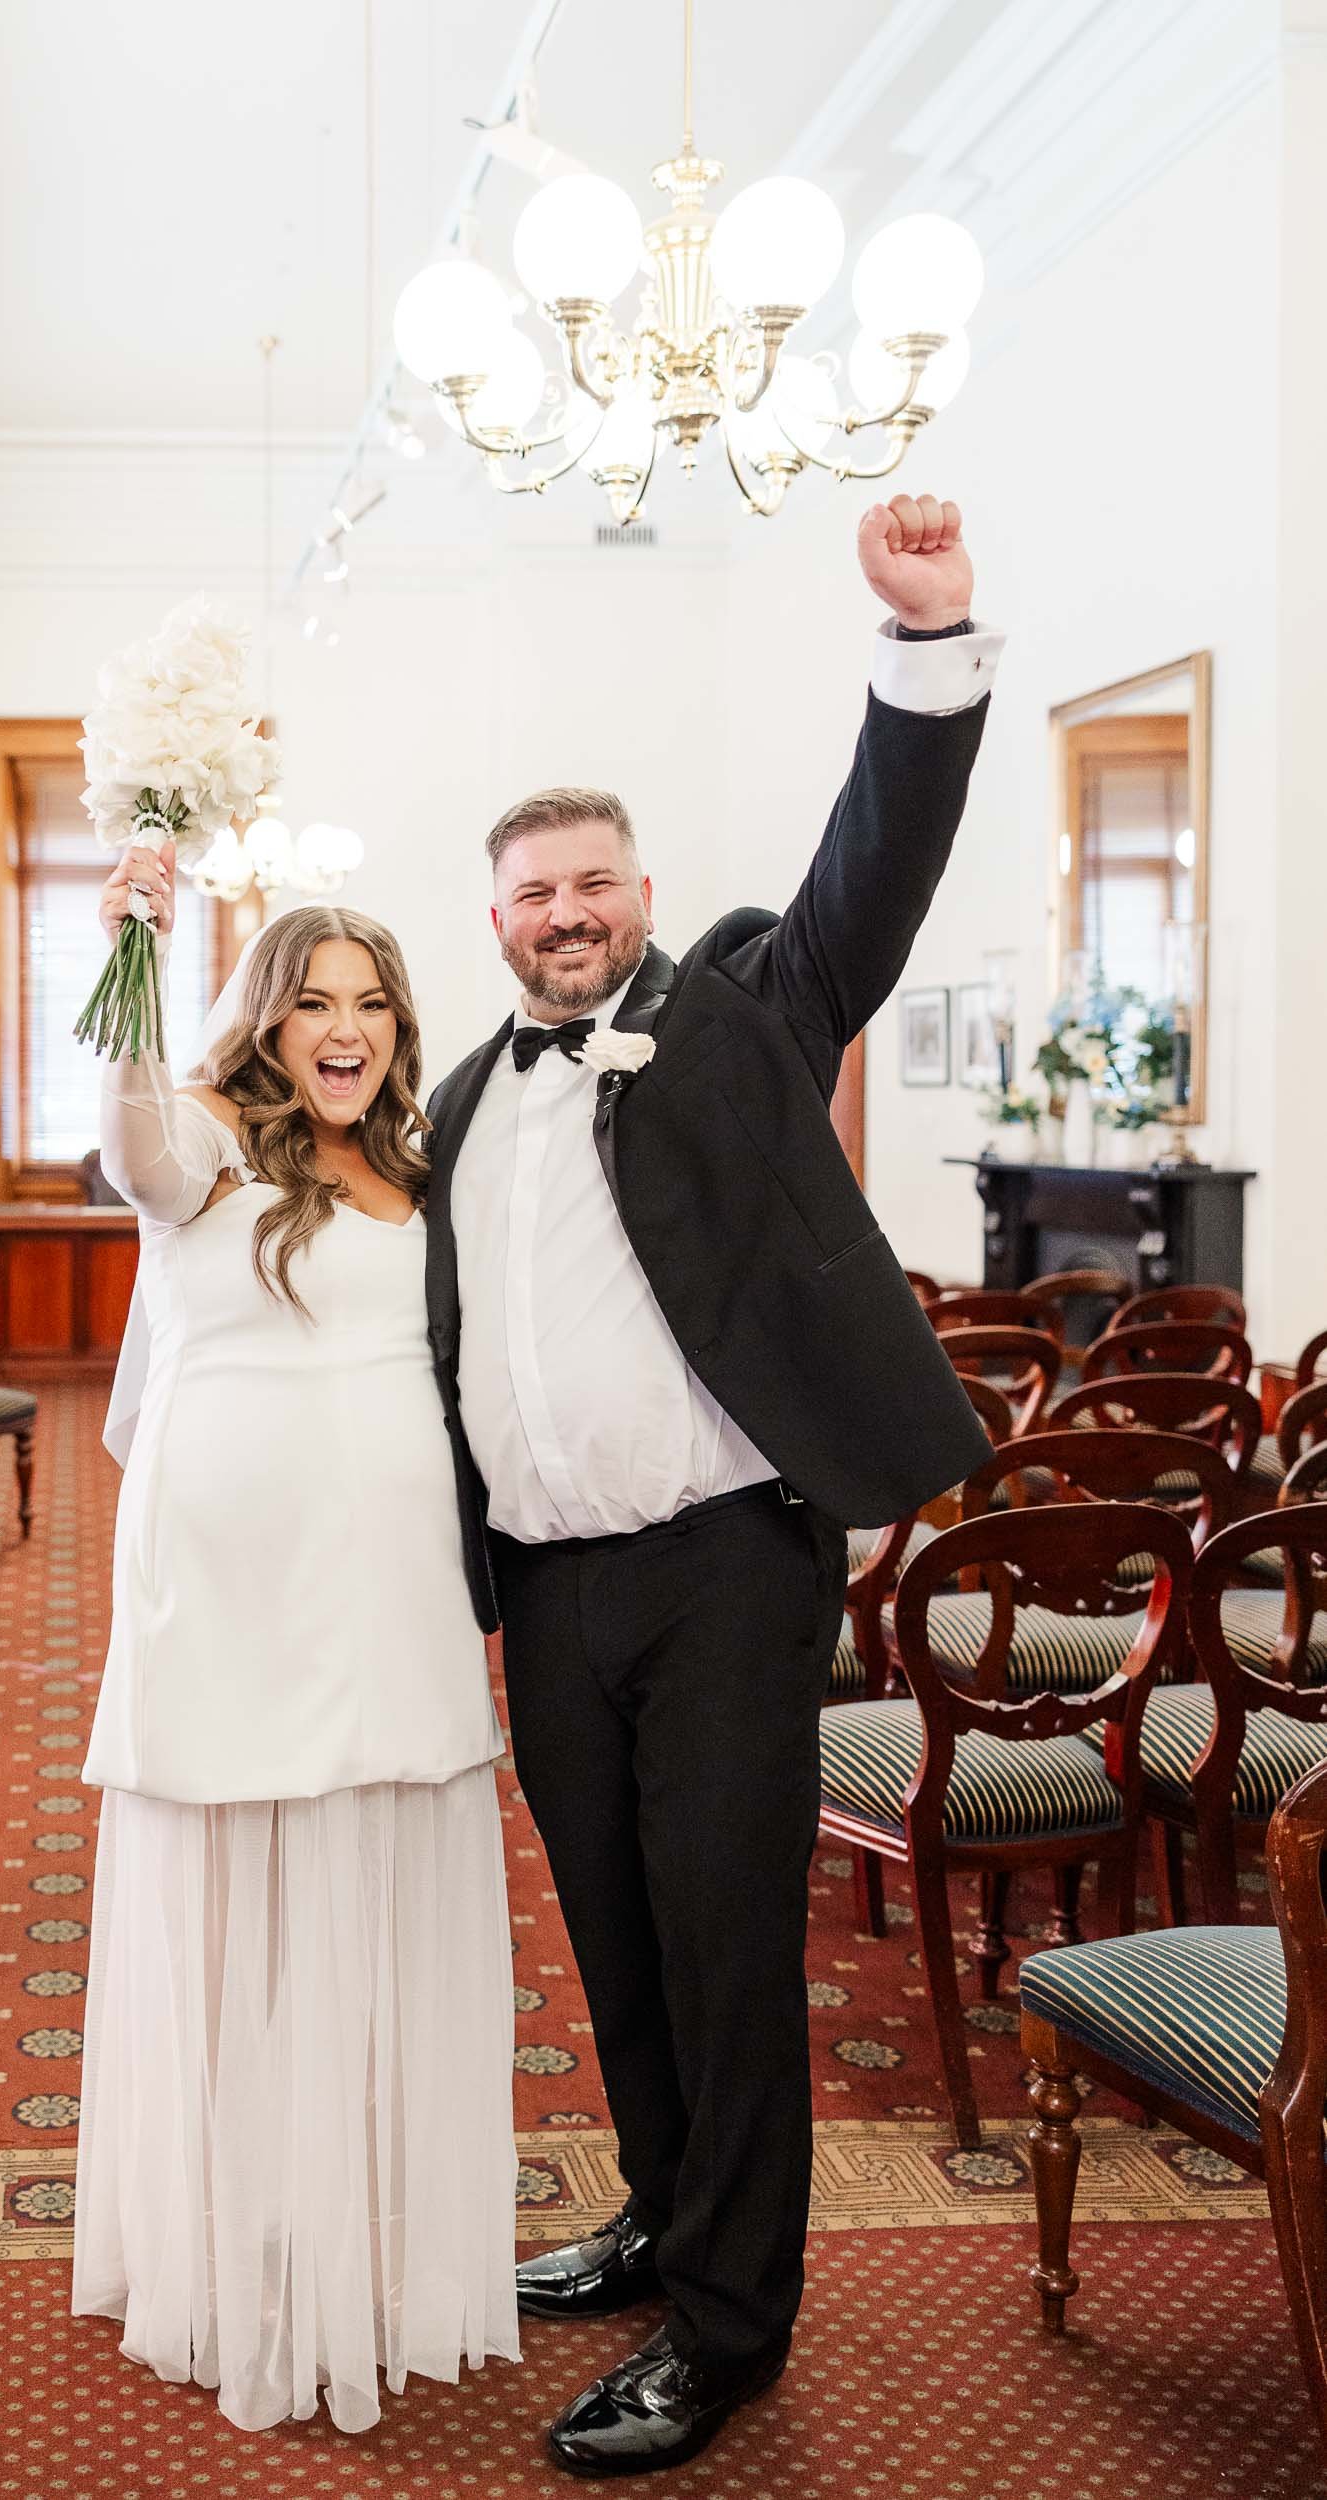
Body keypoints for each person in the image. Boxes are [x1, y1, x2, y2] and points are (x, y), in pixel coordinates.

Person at [424, 492, 1004, 2476]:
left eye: (593, 882)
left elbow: (870, 877)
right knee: (614, 1926)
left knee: (727, 1938)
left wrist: (922, 651)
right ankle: (666, 2212)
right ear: (489, 917)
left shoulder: (745, 1007)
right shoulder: (450, 1109)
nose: (565, 912)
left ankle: (732, 2329)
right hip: (553, 1586)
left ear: (643, 892)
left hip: (727, 1568)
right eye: (532, 892)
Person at [71, 885, 519, 2435]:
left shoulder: (418, 1161)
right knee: (248, 1866)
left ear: (398, 1028)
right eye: (314, 1001)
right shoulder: (201, 1138)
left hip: (393, 1580)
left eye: (371, 1004)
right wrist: (127, 941)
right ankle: (240, 2234)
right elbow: (129, 1141)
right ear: (267, 1017)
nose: (344, 1029)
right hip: (234, 1572)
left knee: (375, 1855)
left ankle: (373, 2236)